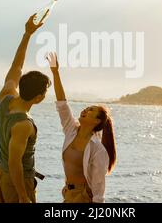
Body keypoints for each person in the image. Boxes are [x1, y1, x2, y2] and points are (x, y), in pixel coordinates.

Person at [0, 14, 51, 203]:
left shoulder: (6, 95)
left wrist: (27, 34)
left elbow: (17, 66)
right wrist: (23, 196)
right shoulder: (24, 124)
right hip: (15, 182)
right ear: (39, 98)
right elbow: (15, 163)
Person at [46, 52, 117, 203]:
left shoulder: (98, 149)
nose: (86, 110)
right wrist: (55, 72)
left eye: (91, 110)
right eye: (87, 107)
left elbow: (99, 185)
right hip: (67, 193)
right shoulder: (71, 130)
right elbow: (62, 104)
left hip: (84, 197)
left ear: (97, 121)